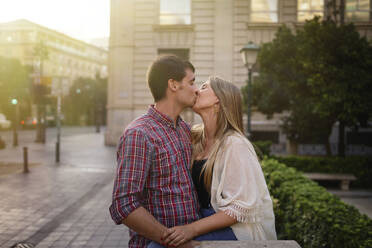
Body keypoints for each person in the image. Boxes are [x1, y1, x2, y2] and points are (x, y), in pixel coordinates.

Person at [161, 76, 277, 247]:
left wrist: (190, 229)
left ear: (218, 99)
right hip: (201, 221)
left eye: (204, 87)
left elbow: (241, 208)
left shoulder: (235, 144)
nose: (196, 90)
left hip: (236, 230)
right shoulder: (194, 138)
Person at [109, 55, 201, 248]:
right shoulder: (140, 134)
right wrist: (170, 240)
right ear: (173, 85)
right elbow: (124, 205)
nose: (196, 89)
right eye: (192, 82)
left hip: (190, 240)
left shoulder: (183, 128)